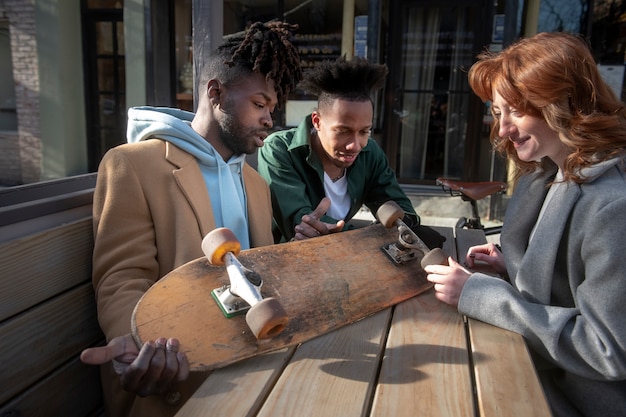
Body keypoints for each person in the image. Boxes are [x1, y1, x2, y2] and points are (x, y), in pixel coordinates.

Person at [79, 21, 302, 417]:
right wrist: (137, 341)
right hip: (181, 380)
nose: (270, 119)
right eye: (259, 104)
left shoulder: (255, 183)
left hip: (260, 369)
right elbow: (121, 276)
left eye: (272, 108)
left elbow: (256, 275)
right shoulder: (133, 164)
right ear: (215, 93)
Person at [424, 32, 626, 417]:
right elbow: (566, 288)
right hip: (529, 369)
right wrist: (510, 265)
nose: (502, 130)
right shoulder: (549, 172)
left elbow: (607, 350)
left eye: (516, 111)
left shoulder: (612, 206)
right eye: (498, 113)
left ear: (563, 103)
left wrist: (480, 294)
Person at [257, 56, 445, 248]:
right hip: (287, 261)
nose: (355, 145)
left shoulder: (370, 153)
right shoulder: (279, 150)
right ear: (317, 121)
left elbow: (402, 212)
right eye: (343, 131)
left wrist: (400, 224)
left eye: (364, 131)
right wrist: (374, 238)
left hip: (347, 257)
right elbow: (301, 225)